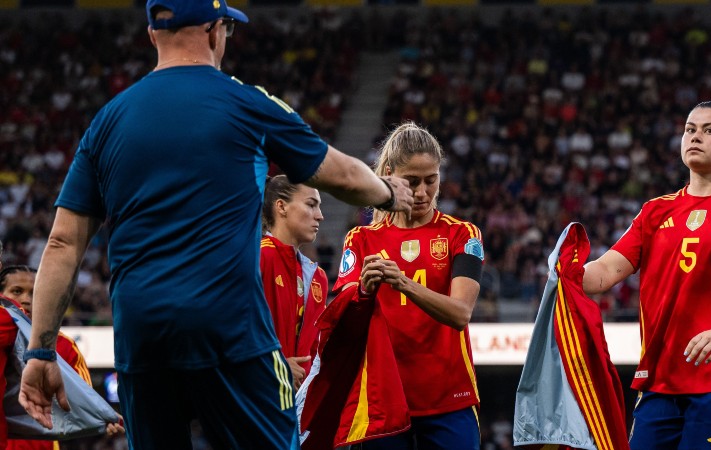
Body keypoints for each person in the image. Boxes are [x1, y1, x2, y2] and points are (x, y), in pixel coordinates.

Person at [18, 0, 414, 446]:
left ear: (153, 35)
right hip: (229, 331)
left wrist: (39, 350)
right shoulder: (246, 102)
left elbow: (62, 244)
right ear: (213, 31)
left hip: (141, 336)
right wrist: (387, 191)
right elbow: (340, 174)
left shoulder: (106, 122)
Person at [581, 100, 711, 450]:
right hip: (658, 383)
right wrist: (568, 270)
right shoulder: (655, 211)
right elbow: (604, 273)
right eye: (690, 130)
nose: (695, 137)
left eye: (710, 131)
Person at [336, 123, 483, 449]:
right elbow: (343, 323)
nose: (421, 192)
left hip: (449, 398)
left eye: (431, 180)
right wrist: (363, 292)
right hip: (382, 398)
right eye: (411, 181)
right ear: (388, 174)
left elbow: (460, 313)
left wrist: (402, 283)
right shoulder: (360, 240)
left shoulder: (463, 235)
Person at [1, 266, 126, 448]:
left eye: (35, 294)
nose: (26, 300)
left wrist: (103, 419)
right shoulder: (4, 330)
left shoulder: (65, 346)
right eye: (17, 291)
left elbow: (83, 401)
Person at [260, 175, 328, 391]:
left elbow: (317, 349)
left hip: (300, 406)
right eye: (311, 205)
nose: (320, 216)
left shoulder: (318, 277)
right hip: (258, 397)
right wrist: (274, 366)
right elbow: (231, 329)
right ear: (281, 207)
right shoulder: (258, 258)